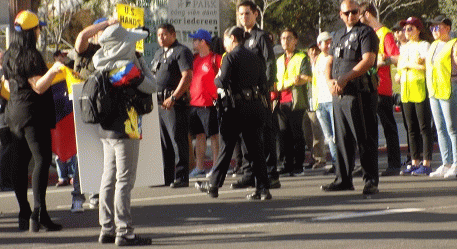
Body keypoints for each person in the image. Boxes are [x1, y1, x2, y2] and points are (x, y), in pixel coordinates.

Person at [92, 23, 153, 246]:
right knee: (124, 181)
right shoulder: (127, 69)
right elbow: (152, 85)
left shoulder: (101, 64)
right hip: (126, 129)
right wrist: (142, 61)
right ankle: (124, 231)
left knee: (108, 178)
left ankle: (106, 228)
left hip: (105, 129)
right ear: (122, 45)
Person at [2, 10, 63, 231]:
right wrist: (55, 69)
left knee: (20, 162)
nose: (40, 32)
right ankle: (39, 214)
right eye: (38, 28)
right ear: (31, 32)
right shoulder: (31, 55)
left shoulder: (8, 55)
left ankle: (24, 212)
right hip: (32, 113)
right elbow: (39, 86)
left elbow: (7, 84)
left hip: (14, 112)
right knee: (42, 159)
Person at [196, 26, 271, 200]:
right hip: (254, 105)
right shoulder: (255, 57)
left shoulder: (230, 57)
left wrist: (216, 78)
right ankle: (263, 188)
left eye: (225, 40)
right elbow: (263, 82)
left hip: (235, 108)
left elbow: (221, 82)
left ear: (232, 38)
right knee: (256, 149)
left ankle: (214, 185)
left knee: (226, 147)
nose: (224, 44)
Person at [320, 0, 380, 195]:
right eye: (347, 13)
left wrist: (345, 77)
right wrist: (329, 80)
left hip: (359, 92)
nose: (351, 16)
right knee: (342, 138)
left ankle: (370, 180)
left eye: (354, 12)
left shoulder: (366, 33)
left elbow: (368, 60)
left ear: (359, 12)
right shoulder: (337, 35)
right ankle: (343, 179)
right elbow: (329, 61)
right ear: (340, 15)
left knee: (364, 137)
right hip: (340, 93)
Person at [70, 17, 118, 212]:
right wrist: (107, 23)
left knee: (104, 152)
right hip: (84, 106)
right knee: (82, 153)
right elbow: (82, 36)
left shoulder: (113, 52)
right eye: (104, 31)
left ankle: (98, 193)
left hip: (105, 108)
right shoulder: (87, 50)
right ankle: (77, 196)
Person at [231, 0, 280, 189]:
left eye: (247, 14)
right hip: (243, 95)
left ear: (256, 14)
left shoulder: (261, 37)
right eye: (241, 14)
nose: (244, 17)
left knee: (265, 133)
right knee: (246, 135)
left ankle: (270, 173)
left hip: (259, 93)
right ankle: (249, 173)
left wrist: (266, 87)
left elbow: (270, 62)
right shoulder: (239, 37)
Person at [359, 2, 402, 176]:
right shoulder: (367, 34)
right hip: (365, 87)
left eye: (360, 16)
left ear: (368, 14)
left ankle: (394, 163)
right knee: (368, 129)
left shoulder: (385, 34)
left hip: (382, 87)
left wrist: (381, 61)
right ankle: (369, 166)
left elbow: (397, 57)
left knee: (388, 126)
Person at [151, 23, 193, 188]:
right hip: (160, 102)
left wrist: (174, 97)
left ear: (173, 34)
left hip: (174, 103)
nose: (160, 38)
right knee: (164, 142)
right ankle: (166, 176)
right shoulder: (158, 53)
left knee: (177, 139)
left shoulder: (181, 52)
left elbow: (187, 76)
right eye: (158, 35)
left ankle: (182, 176)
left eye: (164, 35)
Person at [396, 17, 433, 176]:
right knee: (411, 128)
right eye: (405, 29)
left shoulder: (424, 45)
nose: (406, 32)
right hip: (406, 89)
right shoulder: (404, 47)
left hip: (419, 87)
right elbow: (399, 66)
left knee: (424, 126)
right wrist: (404, 67)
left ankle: (426, 162)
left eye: (410, 28)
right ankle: (414, 161)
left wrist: (408, 65)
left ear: (418, 29)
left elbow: (424, 66)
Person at [274, 28, 309, 176]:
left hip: (295, 101)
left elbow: (305, 77)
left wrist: (294, 81)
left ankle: (298, 164)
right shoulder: (280, 60)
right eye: (283, 38)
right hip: (281, 101)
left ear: (295, 40)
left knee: (296, 134)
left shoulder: (302, 57)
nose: (285, 41)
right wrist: (290, 82)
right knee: (283, 135)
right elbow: (277, 81)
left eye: (289, 38)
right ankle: (286, 164)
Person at [426, 15, 457, 178]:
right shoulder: (433, 46)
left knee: (452, 128)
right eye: (432, 28)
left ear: (448, 28)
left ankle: (456, 164)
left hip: (448, 88)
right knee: (440, 128)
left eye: (438, 27)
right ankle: (447, 163)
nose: (434, 31)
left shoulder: (454, 44)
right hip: (434, 91)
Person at [187, 29, 221, 178]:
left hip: (210, 104)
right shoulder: (193, 59)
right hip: (194, 104)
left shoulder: (215, 58)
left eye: (195, 40)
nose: (193, 42)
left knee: (214, 136)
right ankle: (199, 167)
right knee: (199, 136)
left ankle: (216, 166)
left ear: (203, 42)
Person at [312, 31, 337, 174]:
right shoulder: (317, 60)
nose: (328, 45)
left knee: (337, 135)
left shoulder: (334, 58)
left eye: (330, 42)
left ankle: (342, 162)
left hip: (332, 100)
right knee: (328, 136)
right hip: (320, 102)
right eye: (325, 42)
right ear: (319, 45)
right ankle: (335, 162)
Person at [0, 48, 13, 192]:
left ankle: (6, 179)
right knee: (6, 149)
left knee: (6, 148)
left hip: (5, 116)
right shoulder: (4, 73)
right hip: (4, 116)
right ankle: (5, 180)